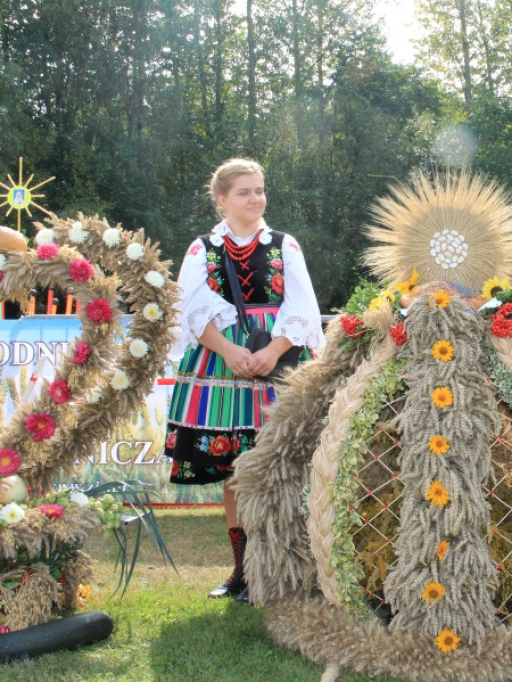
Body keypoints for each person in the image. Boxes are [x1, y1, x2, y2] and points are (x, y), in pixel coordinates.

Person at [163, 158, 324, 600]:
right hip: (222, 364)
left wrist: (272, 351)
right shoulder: (202, 249)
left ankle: (289, 569)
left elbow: (303, 307)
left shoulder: (284, 245)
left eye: (259, 190)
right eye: (244, 192)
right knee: (235, 471)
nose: (256, 199)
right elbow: (191, 310)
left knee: (284, 468)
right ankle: (243, 572)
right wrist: (230, 351)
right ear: (222, 199)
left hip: (279, 362)